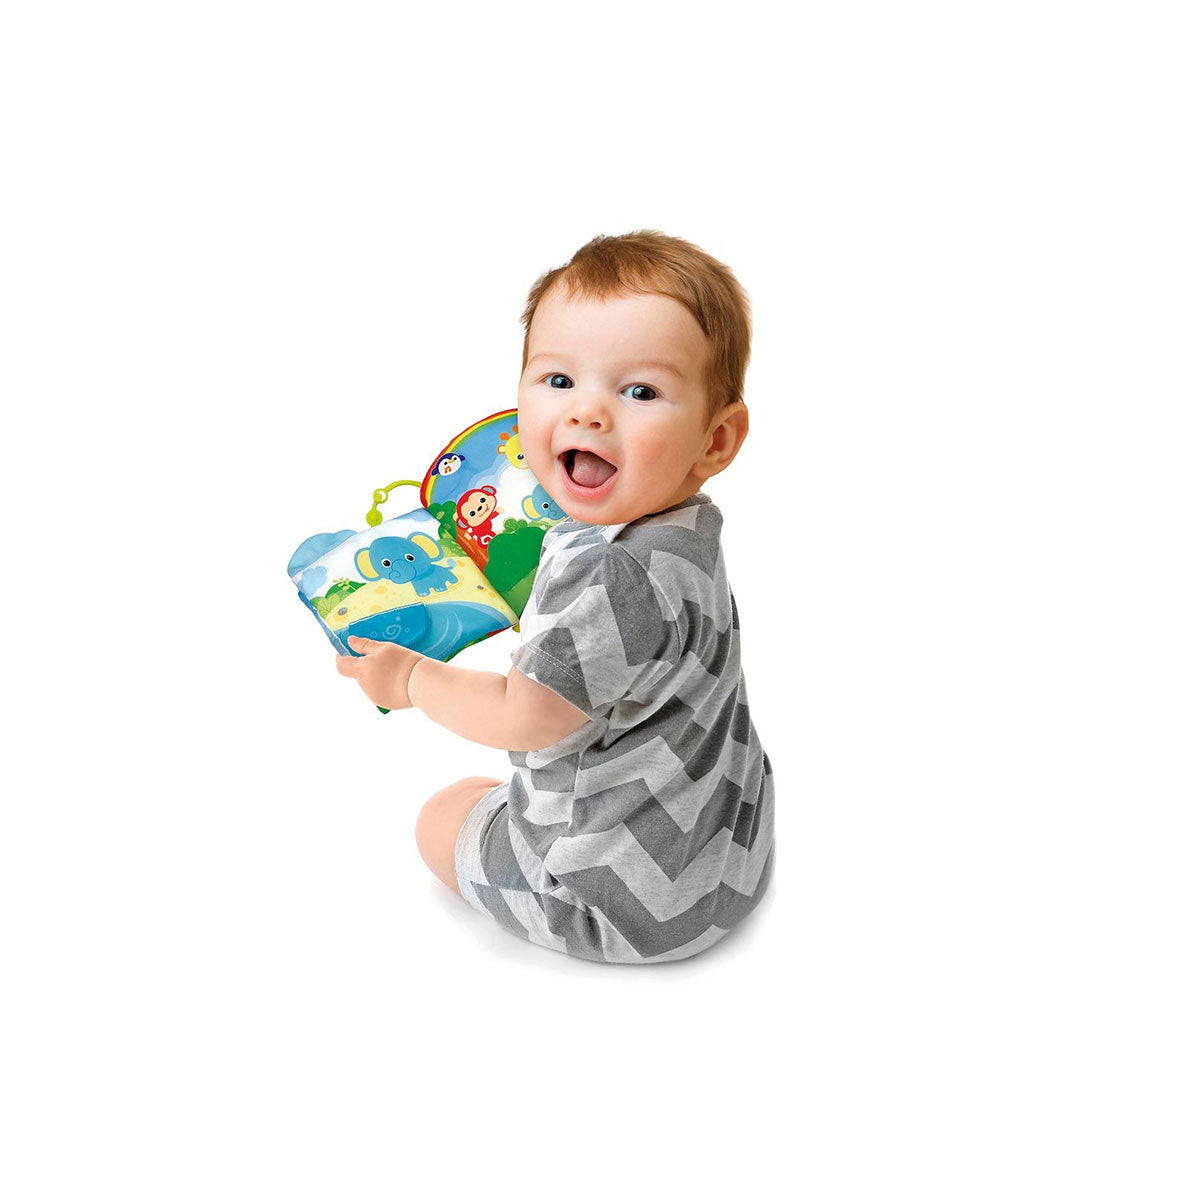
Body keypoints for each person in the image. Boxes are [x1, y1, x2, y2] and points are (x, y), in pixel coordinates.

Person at [336, 230, 775, 963]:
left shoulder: (607, 572)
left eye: (640, 392)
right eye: (559, 380)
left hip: (616, 906)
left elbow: (525, 717)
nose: (587, 413)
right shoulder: (686, 530)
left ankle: (550, 888)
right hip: (729, 855)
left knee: (442, 814)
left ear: (716, 440)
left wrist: (411, 678)